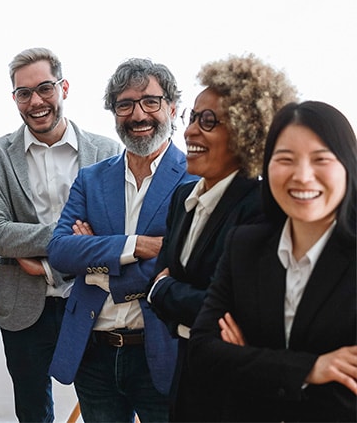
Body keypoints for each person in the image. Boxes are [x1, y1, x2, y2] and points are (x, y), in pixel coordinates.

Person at [147, 54, 298, 421]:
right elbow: (203, 302)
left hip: (234, 390)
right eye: (193, 117)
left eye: (209, 121)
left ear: (248, 131)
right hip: (186, 371)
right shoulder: (184, 198)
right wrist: (187, 302)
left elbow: (234, 313)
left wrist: (162, 292)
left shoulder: (263, 208)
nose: (190, 131)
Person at [0, 47, 121, 422]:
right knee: (33, 411)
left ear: (64, 88)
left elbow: (113, 236)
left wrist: (48, 266)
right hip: (23, 309)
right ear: (14, 99)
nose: (35, 101)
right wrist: (72, 240)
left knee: (102, 407)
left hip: (93, 301)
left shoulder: (107, 152)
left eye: (44, 88)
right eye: (24, 93)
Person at [187, 100, 357, 422]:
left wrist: (245, 360)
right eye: (285, 159)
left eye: (321, 159)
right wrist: (313, 368)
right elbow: (202, 354)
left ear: (349, 166)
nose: (303, 176)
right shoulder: (244, 245)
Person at [47, 58, 196, 422]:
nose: (138, 114)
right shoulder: (91, 179)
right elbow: (60, 251)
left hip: (160, 349)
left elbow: (182, 265)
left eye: (150, 101)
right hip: (93, 352)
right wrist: (138, 246)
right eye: (125, 104)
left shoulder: (194, 179)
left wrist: (97, 263)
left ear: (172, 107)